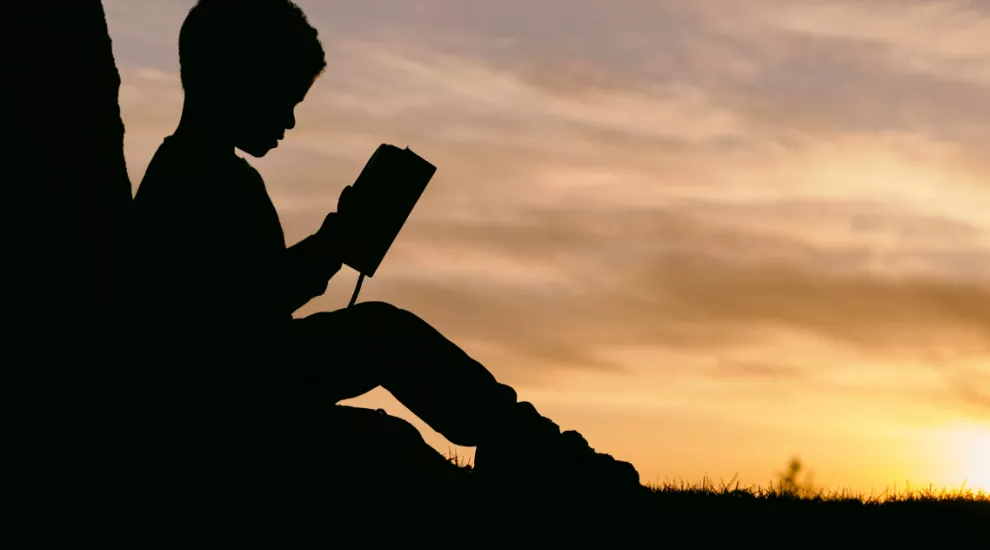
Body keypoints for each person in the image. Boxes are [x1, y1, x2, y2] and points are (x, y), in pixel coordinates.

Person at [128, 0, 640, 492]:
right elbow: (238, 314)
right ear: (237, 79)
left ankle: (533, 452)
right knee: (383, 353)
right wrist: (335, 243)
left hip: (243, 391)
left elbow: (256, 299)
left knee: (385, 381)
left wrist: (335, 241)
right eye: (284, 97)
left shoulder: (216, 175)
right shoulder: (189, 180)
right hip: (221, 405)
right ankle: (539, 454)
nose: (289, 121)